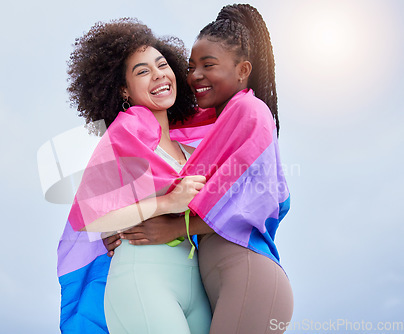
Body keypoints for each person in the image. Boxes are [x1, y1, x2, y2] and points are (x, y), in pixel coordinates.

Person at [106, 4, 294, 334]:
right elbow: (176, 184)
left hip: (246, 272)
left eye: (208, 65)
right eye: (191, 67)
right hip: (220, 281)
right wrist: (122, 220)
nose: (194, 76)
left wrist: (176, 229)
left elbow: (256, 199)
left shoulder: (251, 111)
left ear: (242, 70)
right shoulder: (212, 129)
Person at [59, 18, 211, 334]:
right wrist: (167, 202)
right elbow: (94, 218)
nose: (158, 75)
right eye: (142, 71)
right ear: (124, 90)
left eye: (162, 65)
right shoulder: (126, 134)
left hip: (197, 282)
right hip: (143, 278)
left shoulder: (193, 152)